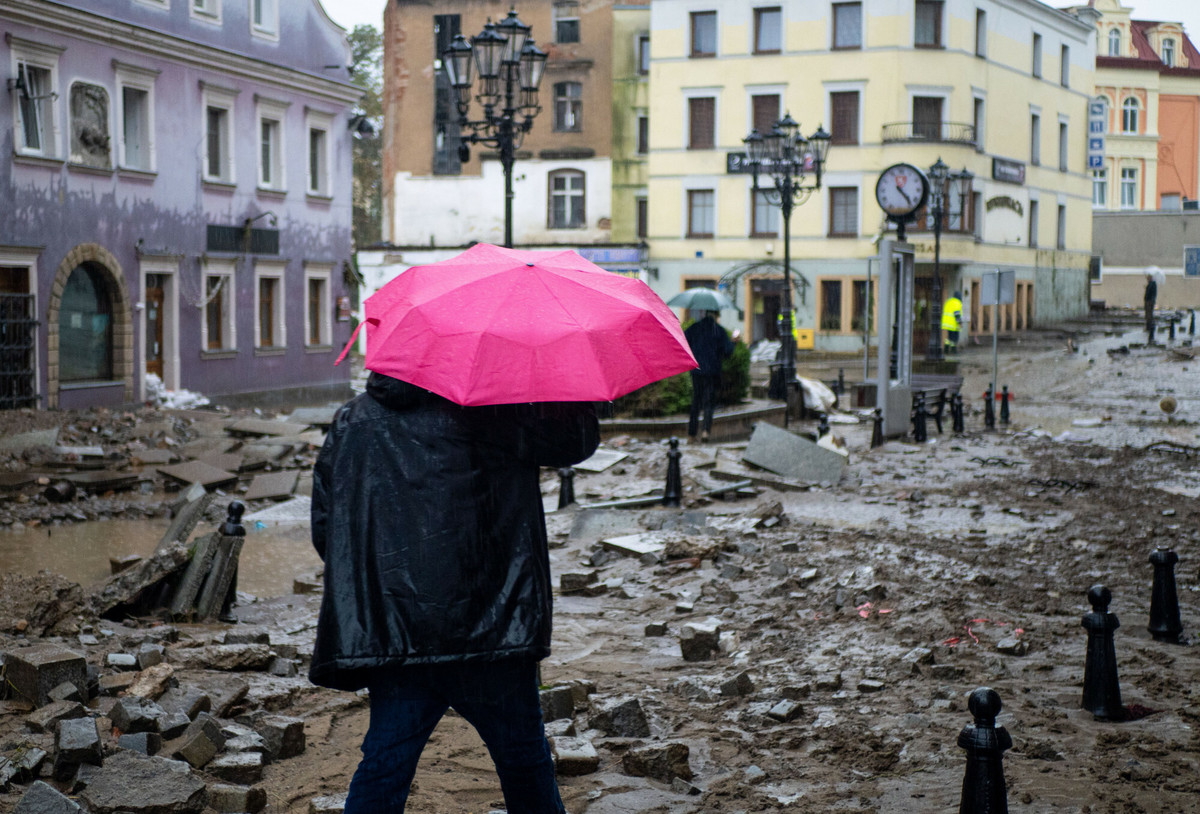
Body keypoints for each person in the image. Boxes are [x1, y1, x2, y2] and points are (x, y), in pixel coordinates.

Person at [309, 372, 599, 812]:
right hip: (493, 628)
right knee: (524, 763)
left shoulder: (354, 419)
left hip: (398, 632)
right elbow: (573, 443)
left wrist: (387, 582)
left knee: (384, 766)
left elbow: (328, 531)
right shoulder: (498, 406)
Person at [684, 310, 734, 441]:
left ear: (704, 314)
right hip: (713, 371)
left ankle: (691, 434)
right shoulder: (719, 330)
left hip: (697, 370)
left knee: (696, 401)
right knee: (709, 402)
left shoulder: (694, 328)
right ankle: (706, 431)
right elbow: (727, 352)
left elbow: (683, 343)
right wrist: (734, 342)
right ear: (716, 316)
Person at [1144, 272, 1158, 344]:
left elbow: (1151, 293)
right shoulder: (1150, 284)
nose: (1147, 279)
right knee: (1147, 314)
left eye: (1148, 278)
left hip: (1150, 301)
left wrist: (1151, 301)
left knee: (1149, 314)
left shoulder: (1153, 284)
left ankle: (1150, 327)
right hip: (1148, 301)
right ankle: (1148, 326)